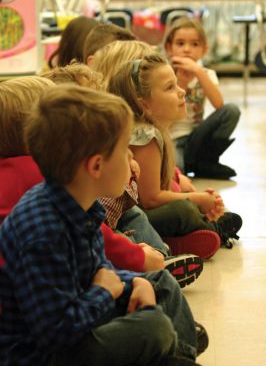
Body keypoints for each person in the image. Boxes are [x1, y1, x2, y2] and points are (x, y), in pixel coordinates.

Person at [0, 84, 208, 366]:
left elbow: (99, 272)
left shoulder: (83, 207)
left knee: (159, 284)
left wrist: (132, 282)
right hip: (46, 354)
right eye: (125, 150)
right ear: (96, 166)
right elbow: (57, 333)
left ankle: (177, 355)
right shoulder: (42, 232)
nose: (131, 159)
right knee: (153, 329)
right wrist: (105, 292)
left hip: (81, 320)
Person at [40, 60, 204, 286]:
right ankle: (157, 261)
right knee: (170, 212)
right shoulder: (141, 135)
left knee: (135, 215)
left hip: (114, 218)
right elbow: (145, 199)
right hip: (105, 233)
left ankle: (161, 257)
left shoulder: (94, 145)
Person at [108, 53, 242, 248]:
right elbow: (151, 199)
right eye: (170, 87)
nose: (181, 92)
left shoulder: (154, 132)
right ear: (144, 104)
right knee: (182, 210)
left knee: (186, 204)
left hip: (146, 217)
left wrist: (201, 200)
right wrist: (197, 200)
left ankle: (200, 230)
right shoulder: (146, 136)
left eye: (177, 84)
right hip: (134, 222)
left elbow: (161, 185)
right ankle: (207, 232)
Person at [163, 16, 241, 179]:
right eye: (180, 43)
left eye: (194, 44)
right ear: (169, 48)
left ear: (204, 50)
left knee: (231, 111)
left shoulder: (207, 74)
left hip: (197, 137)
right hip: (173, 139)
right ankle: (199, 166)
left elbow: (219, 105)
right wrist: (181, 82)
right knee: (177, 173)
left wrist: (199, 72)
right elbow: (167, 113)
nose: (187, 49)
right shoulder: (165, 74)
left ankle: (207, 161)